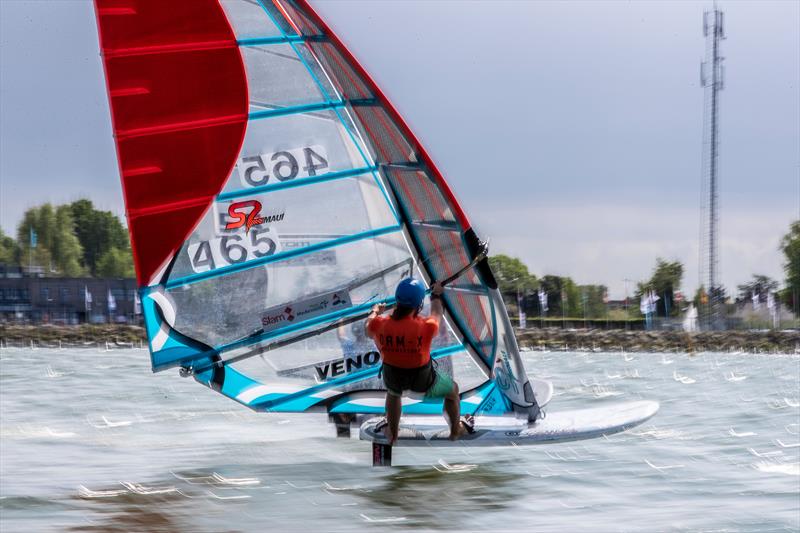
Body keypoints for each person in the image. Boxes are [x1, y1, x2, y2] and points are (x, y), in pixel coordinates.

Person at [366, 278, 468, 444]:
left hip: (394, 381)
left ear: (397, 300)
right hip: (423, 384)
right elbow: (437, 313)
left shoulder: (379, 324)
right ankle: (455, 430)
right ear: (419, 304)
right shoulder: (426, 326)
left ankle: (392, 433)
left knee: (392, 393)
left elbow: (367, 327)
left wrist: (375, 311)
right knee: (453, 390)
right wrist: (436, 295)